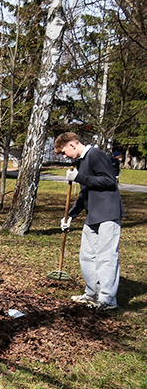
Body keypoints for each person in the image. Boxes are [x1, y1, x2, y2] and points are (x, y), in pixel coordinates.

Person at [56, 132, 124, 311]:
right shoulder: (81, 162)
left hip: (108, 212)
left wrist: (79, 178)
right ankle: (91, 293)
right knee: (87, 256)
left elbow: (109, 180)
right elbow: (84, 192)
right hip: (93, 213)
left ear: (72, 145)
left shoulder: (96, 155)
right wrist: (70, 215)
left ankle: (107, 300)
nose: (65, 156)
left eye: (64, 152)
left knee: (106, 256)